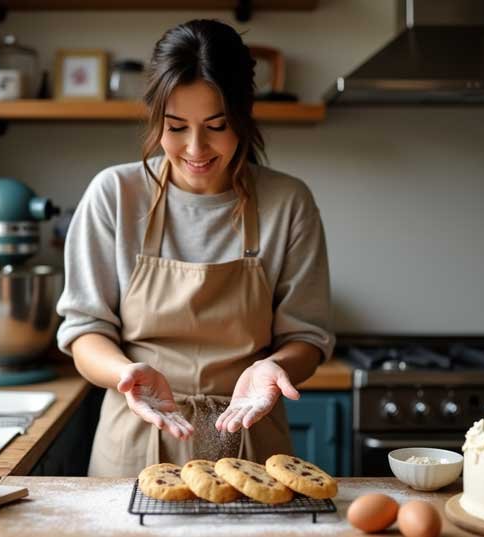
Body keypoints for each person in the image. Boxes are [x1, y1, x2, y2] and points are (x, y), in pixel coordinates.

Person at [56, 19, 334, 477]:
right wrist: (125, 374)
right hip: (135, 441)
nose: (195, 147)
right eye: (176, 126)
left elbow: (306, 336)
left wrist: (273, 369)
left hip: (251, 440)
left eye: (216, 125)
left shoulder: (288, 202)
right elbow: (85, 330)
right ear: (155, 118)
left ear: (243, 116)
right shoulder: (115, 194)